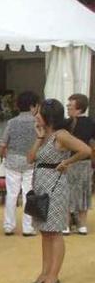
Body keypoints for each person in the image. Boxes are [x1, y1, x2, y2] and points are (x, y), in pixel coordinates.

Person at [26, 99, 93, 283]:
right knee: (45, 232)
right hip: (40, 186)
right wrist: (38, 138)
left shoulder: (61, 135)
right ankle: (45, 273)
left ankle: (53, 277)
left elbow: (86, 150)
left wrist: (68, 162)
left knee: (54, 232)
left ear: (48, 115)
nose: (35, 115)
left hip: (55, 187)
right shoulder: (44, 135)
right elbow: (30, 159)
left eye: (38, 112)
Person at [0, 91, 40, 236]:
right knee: (29, 193)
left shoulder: (11, 122)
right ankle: (27, 227)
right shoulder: (37, 123)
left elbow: (3, 144)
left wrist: (2, 156)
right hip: (30, 161)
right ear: (33, 106)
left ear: (18, 105)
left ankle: (9, 226)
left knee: (11, 194)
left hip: (13, 160)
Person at [65, 93, 95, 234]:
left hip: (68, 162)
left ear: (79, 109)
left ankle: (65, 224)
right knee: (84, 192)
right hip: (85, 162)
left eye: (70, 105)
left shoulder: (66, 123)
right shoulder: (91, 122)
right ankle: (82, 225)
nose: (68, 107)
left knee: (66, 192)